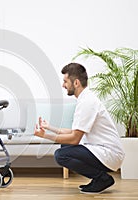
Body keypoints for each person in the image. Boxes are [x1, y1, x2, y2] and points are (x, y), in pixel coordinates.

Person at [34, 63, 125, 194]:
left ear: (76, 82)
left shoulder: (87, 102)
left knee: (61, 155)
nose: (63, 85)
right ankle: (98, 178)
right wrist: (49, 127)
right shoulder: (85, 99)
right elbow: (74, 132)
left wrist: (44, 136)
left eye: (65, 81)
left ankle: (102, 178)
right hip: (101, 149)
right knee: (64, 148)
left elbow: (74, 139)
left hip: (109, 154)